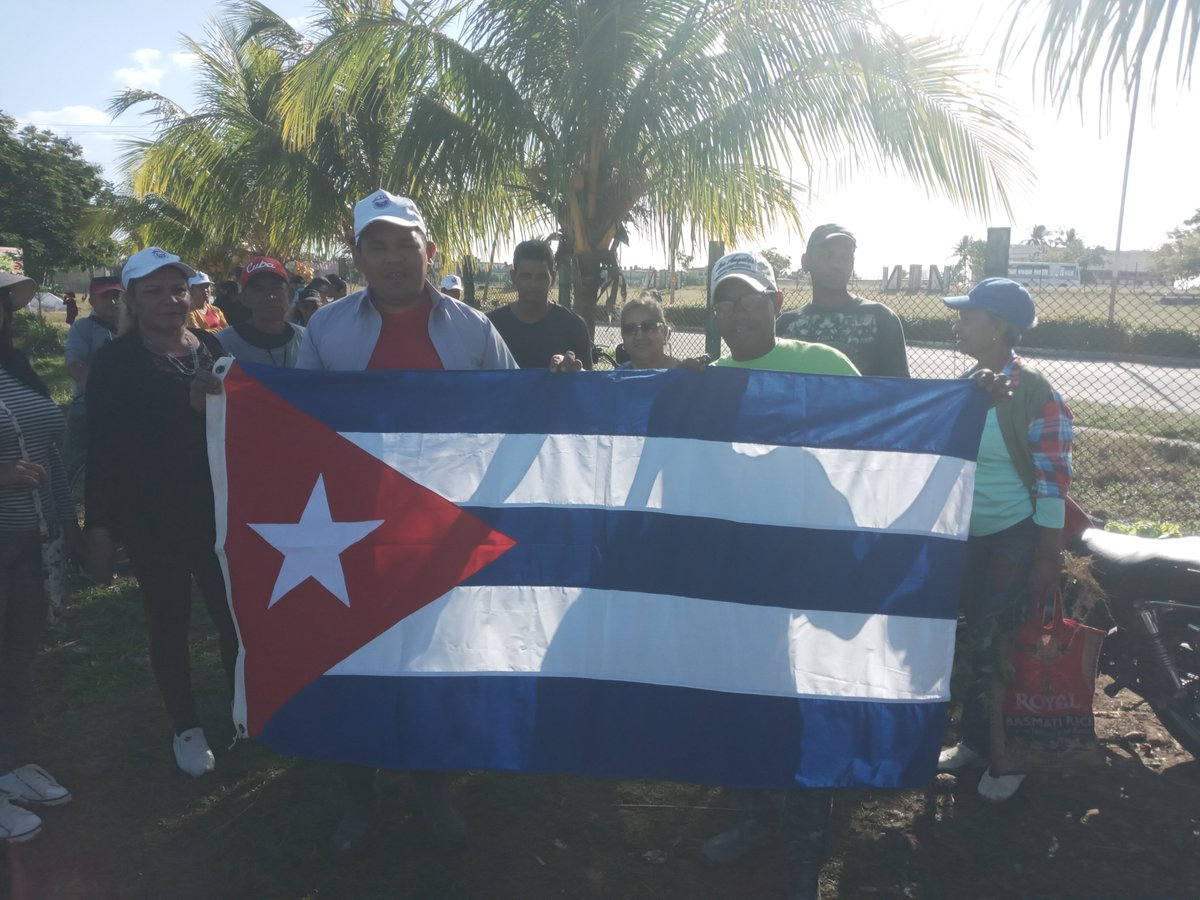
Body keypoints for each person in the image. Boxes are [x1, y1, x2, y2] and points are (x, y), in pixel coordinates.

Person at [291, 190, 516, 857]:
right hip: (350, 532)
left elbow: (513, 416)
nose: (392, 258)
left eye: (404, 243)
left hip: (442, 529)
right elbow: (297, 429)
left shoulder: (473, 329)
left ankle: (430, 785)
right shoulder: (326, 331)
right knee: (350, 659)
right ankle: (358, 797)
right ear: (358, 255)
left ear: (430, 250)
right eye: (377, 245)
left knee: (433, 661)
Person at [83, 247, 239, 779]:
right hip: (153, 519)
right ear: (131, 299)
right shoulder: (116, 361)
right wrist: (98, 524)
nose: (170, 300)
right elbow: (103, 447)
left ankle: (244, 707)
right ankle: (186, 726)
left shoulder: (210, 344)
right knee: (169, 620)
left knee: (232, 616)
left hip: (218, 511)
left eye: (177, 289)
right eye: (154, 291)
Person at [935, 277, 1074, 803]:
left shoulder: (1036, 393)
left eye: (967, 315)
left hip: (1015, 537)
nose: (957, 322)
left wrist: (1046, 553)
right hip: (970, 537)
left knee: (1005, 646)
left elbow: (1053, 480)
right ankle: (974, 740)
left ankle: (1009, 755)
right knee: (977, 640)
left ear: (996, 326)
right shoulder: (972, 383)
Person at [0, 271, 74, 843]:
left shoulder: (15, 367)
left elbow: (48, 440)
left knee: (17, 658)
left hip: (29, 541)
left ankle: (11, 762)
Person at [775, 225, 909, 377]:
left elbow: (899, 390)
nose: (837, 265)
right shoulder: (785, 325)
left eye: (845, 257)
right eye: (828, 255)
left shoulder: (882, 319)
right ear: (805, 261)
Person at [486, 241, 592, 369]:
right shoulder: (491, 326)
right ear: (514, 277)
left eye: (541, 277)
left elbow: (587, 382)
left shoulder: (574, 326)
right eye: (526, 276)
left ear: (552, 278)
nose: (533, 284)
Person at [63, 276, 121, 458]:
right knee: (83, 458)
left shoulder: (133, 327)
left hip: (125, 401)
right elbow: (74, 361)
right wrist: (85, 380)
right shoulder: (83, 328)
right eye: (105, 297)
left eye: (116, 296)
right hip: (90, 402)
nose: (112, 301)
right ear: (92, 300)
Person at [216, 257, 305, 367]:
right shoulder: (223, 343)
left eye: (277, 288)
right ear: (244, 299)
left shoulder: (307, 339)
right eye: (259, 289)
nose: (270, 296)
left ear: (289, 294)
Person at [617, 291, 679, 369]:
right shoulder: (617, 376)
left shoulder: (687, 376)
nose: (639, 336)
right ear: (623, 337)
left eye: (649, 327)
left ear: (665, 332)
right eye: (630, 329)